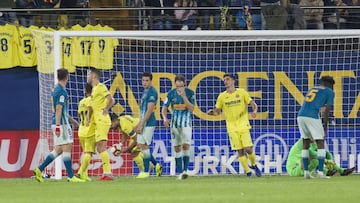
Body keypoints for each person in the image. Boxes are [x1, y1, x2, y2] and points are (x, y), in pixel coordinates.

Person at [33, 68, 84, 183]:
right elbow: (58, 108)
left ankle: (39, 169)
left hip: (59, 122)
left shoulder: (55, 89)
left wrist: (73, 121)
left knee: (59, 149)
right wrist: (57, 126)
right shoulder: (61, 91)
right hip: (61, 124)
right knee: (67, 146)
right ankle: (71, 176)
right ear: (67, 77)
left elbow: (61, 110)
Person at [207, 73, 262, 177]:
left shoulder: (242, 93)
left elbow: (253, 104)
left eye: (227, 79)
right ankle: (248, 172)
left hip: (243, 124)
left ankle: (254, 164)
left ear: (233, 81)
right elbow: (217, 112)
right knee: (239, 150)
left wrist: (254, 111)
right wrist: (212, 112)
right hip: (231, 127)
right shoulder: (222, 96)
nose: (225, 82)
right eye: (224, 80)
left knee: (248, 148)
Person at [297, 76, 335, 179]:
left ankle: (306, 173)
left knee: (305, 142)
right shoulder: (329, 92)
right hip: (312, 116)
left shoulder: (312, 89)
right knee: (320, 142)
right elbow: (326, 110)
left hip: (300, 116)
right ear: (330, 84)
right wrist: (325, 127)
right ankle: (320, 172)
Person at [161, 74, 195, 180]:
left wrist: (184, 96)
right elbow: (164, 108)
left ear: (184, 84)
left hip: (186, 124)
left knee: (186, 146)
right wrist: (165, 118)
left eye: (181, 86)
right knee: (177, 148)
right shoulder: (171, 94)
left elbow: (191, 108)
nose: (179, 88)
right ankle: (181, 172)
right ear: (175, 84)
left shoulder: (190, 93)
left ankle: (185, 171)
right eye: (177, 86)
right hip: (175, 124)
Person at [87, 67, 115, 181]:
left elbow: (111, 99)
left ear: (94, 76)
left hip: (102, 120)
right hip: (98, 121)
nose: (87, 76)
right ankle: (107, 173)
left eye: (89, 74)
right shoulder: (94, 89)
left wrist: (106, 108)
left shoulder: (101, 87)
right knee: (99, 147)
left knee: (101, 146)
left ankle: (108, 173)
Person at [286, 138, 356, 177]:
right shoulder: (302, 142)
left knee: (318, 157)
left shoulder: (314, 143)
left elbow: (326, 153)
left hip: (306, 169)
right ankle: (326, 172)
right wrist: (327, 161)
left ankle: (342, 171)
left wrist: (330, 160)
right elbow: (313, 154)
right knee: (313, 158)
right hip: (294, 169)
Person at [134, 72, 158, 178]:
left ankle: (146, 171)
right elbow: (142, 110)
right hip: (143, 122)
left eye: (147, 80)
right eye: (143, 80)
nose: (144, 82)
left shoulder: (152, 92)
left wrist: (141, 124)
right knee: (140, 145)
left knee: (144, 145)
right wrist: (139, 123)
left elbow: (149, 110)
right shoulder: (145, 92)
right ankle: (157, 165)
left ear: (151, 81)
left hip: (149, 123)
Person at [76, 83, 95, 181]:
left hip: (81, 130)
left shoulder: (81, 101)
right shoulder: (91, 100)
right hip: (89, 130)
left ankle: (85, 175)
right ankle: (80, 172)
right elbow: (90, 108)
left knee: (86, 153)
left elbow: (79, 113)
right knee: (89, 153)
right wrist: (88, 118)